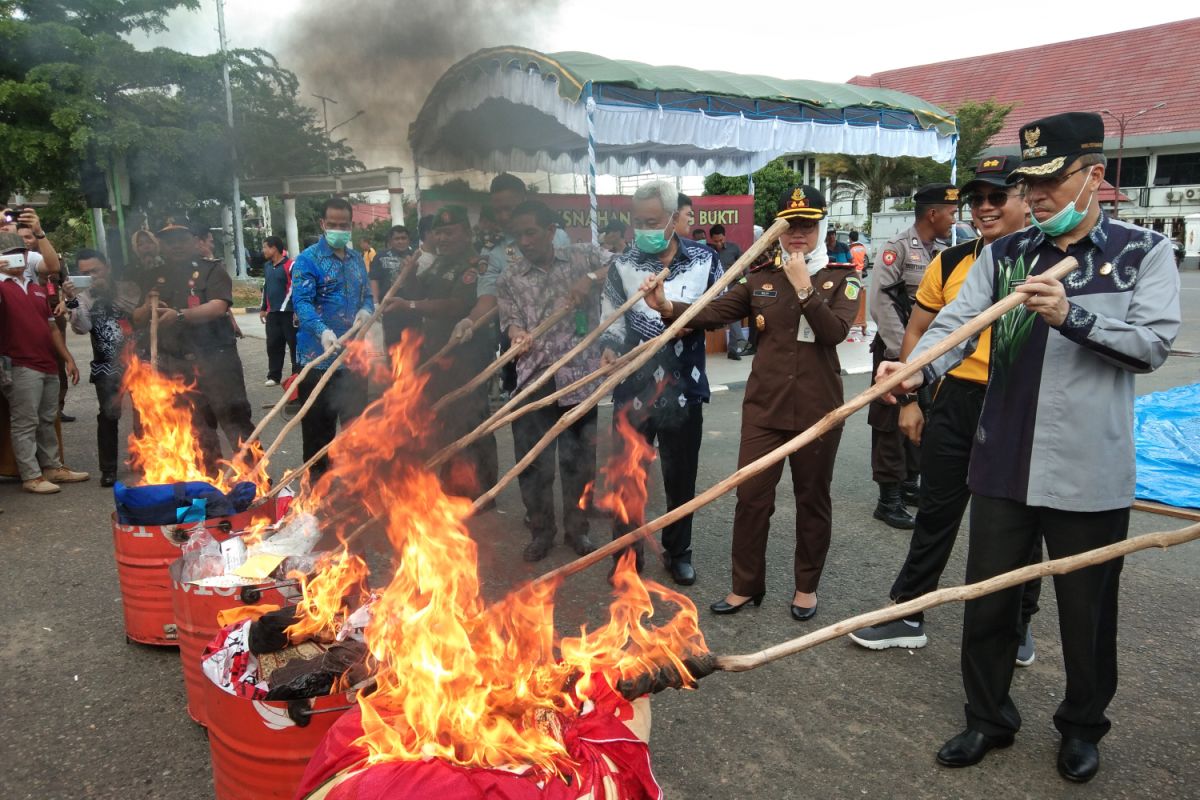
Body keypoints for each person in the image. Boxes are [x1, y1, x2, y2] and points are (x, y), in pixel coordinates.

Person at [879, 112, 1180, 782]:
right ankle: (987, 718)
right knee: (989, 600)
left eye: (1052, 178)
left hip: (1089, 469)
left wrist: (1073, 314)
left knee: (1086, 613)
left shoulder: (1141, 252)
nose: (1036, 194)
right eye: (1029, 181)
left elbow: (1153, 345)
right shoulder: (1005, 255)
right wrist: (912, 370)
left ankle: (1081, 727)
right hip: (1003, 460)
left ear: (1094, 176)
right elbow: (954, 325)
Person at [850, 155, 1044, 664]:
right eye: (975, 198)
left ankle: (1018, 621)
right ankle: (909, 611)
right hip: (955, 397)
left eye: (997, 196)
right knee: (936, 509)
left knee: (1020, 521)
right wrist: (911, 399)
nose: (983, 207)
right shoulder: (953, 261)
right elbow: (917, 332)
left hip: (1018, 404)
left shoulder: (1047, 262)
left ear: (1026, 198)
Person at [643, 186, 860, 620]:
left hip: (819, 411)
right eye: (789, 225)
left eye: (806, 225)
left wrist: (804, 288)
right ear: (776, 230)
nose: (797, 233)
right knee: (752, 498)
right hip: (765, 408)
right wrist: (668, 306)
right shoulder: (760, 276)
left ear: (819, 228)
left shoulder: (841, 277)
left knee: (812, 499)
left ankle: (806, 587)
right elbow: (714, 311)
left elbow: (833, 332)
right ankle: (746, 585)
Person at [599, 181, 723, 585]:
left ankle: (678, 551)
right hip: (631, 388)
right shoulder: (621, 265)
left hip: (683, 388)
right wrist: (610, 349)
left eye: (652, 221)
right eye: (638, 222)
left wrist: (680, 315)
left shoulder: (706, 261)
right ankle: (626, 553)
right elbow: (613, 320)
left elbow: (722, 312)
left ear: (673, 218)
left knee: (680, 474)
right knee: (627, 474)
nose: (644, 229)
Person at [497, 200, 613, 562]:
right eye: (518, 236)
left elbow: (624, 266)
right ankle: (541, 532)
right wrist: (517, 335)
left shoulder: (584, 256)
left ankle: (577, 530)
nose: (524, 241)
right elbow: (510, 320)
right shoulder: (510, 278)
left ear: (550, 230)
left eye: (531, 232)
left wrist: (591, 278)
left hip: (579, 377)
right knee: (533, 464)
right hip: (533, 380)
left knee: (578, 462)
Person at [386, 205, 498, 500]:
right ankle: (453, 484)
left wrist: (411, 306)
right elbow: (419, 293)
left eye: (449, 231)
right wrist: (407, 274)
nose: (443, 238)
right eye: (438, 232)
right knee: (444, 417)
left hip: (467, 352)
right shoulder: (438, 263)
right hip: (438, 351)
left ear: (466, 231)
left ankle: (482, 489)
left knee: (470, 417)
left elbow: (455, 306)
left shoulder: (475, 264)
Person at [867, 183, 958, 529]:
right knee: (890, 422)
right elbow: (880, 303)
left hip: (927, 356)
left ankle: (909, 484)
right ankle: (887, 497)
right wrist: (900, 353)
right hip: (895, 352)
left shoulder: (944, 252)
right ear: (932, 213)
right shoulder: (897, 249)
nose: (955, 218)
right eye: (951, 212)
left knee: (924, 414)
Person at [135, 224, 254, 472]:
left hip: (216, 361)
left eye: (181, 239)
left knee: (235, 420)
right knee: (196, 427)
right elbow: (136, 317)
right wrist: (148, 307)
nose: (176, 246)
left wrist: (180, 315)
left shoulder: (212, 270)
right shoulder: (153, 277)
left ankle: (256, 479)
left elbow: (219, 306)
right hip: (176, 364)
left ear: (194, 241)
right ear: (161, 245)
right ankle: (210, 484)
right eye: (169, 241)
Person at [290, 198, 374, 479]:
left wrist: (366, 311)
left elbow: (369, 297)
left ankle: (355, 491)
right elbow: (301, 302)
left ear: (351, 226)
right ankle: (316, 494)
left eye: (344, 225)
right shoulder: (308, 260)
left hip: (353, 361)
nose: (339, 229)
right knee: (318, 436)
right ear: (323, 224)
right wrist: (322, 331)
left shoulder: (356, 262)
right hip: (318, 361)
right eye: (334, 224)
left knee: (356, 430)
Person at [0, 231, 87, 493]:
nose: (16, 259)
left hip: (47, 363)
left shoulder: (37, 288)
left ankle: (52, 467)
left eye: (19, 253)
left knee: (47, 418)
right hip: (19, 364)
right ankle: (31, 475)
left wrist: (68, 358)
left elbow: (52, 329)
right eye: (8, 255)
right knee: (25, 422)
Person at [63, 250, 140, 486]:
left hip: (138, 363)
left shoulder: (128, 288)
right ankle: (108, 470)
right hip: (106, 367)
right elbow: (82, 327)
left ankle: (144, 459)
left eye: (96, 270)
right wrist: (72, 300)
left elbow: (142, 314)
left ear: (106, 267)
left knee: (144, 412)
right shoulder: (84, 297)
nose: (93, 276)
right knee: (108, 416)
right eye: (86, 273)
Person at [368, 225, 416, 350]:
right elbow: (374, 279)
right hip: (389, 310)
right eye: (397, 239)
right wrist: (375, 302)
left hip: (411, 310)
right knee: (392, 347)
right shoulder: (381, 256)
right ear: (390, 241)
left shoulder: (415, 256)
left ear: (409, 240)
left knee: (413, 347)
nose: (400, 241)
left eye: (403, 238)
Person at [708, 223, 751, 359]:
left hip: (733, 286)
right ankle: (739, 341)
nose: (719, 243)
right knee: (731, 312)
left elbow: (745, 265)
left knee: (733, 313)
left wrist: (743, 277)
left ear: (724, 237)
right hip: (715, 289)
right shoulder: (708, 251)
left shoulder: (734, 248)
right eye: (716, 241)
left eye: (721, 240)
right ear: (711, 239)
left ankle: (733, 348)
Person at [259, 235, 297, 387]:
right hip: (272, 314)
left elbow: (294, 288)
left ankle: (296, 375)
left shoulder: (291, 265)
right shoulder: (267, 267)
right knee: (273, 345)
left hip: (288, 313)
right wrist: (263, 308)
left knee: (294, 345)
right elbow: (266, 287)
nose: (263, 251)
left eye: (265, 247)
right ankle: (274, 376)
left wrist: (292, 309)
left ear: (274, 248)